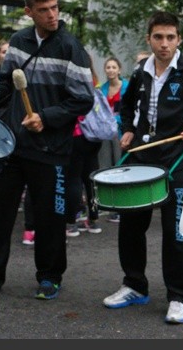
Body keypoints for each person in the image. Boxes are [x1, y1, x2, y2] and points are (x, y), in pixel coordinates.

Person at [0, 0, 94, 301]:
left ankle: (49, 277)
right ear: (28, 12)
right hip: (14, 144)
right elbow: (5, 82)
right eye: (44, 10)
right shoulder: (18, 41)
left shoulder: (70, 47)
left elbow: (83, 99)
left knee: (50, 218)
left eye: (55, 8)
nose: (52, 15)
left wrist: (46, 117)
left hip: (52, 148)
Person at [102, 11, 183, 325]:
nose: (164, 44)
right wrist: (127, 129)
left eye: (170, 37)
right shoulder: (140, 70)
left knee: (175, 230)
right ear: (149, 38)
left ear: (179, 39)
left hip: (177, 159)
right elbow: (127, 106)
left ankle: (178, 296)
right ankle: (134, 285)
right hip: (142, 157)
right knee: (130, 225)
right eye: (158, 37)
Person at [66, 57, 104, 237]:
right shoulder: (94, 82)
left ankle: (71, 223)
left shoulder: (72, 82)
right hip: (95, 136)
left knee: (73, 179)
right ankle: (94, 220)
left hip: (76, 135)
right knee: (91, 179)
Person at [97, 56, 130, 224]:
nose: (110, 70)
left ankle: (121, 205)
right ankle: (108, 203)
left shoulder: (127, 87)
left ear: (119, 70)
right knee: (104, 166)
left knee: (119, 166)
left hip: (120, 131)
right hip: (104, 132)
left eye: (113, 67)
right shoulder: (101, 89)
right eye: (108, 67)